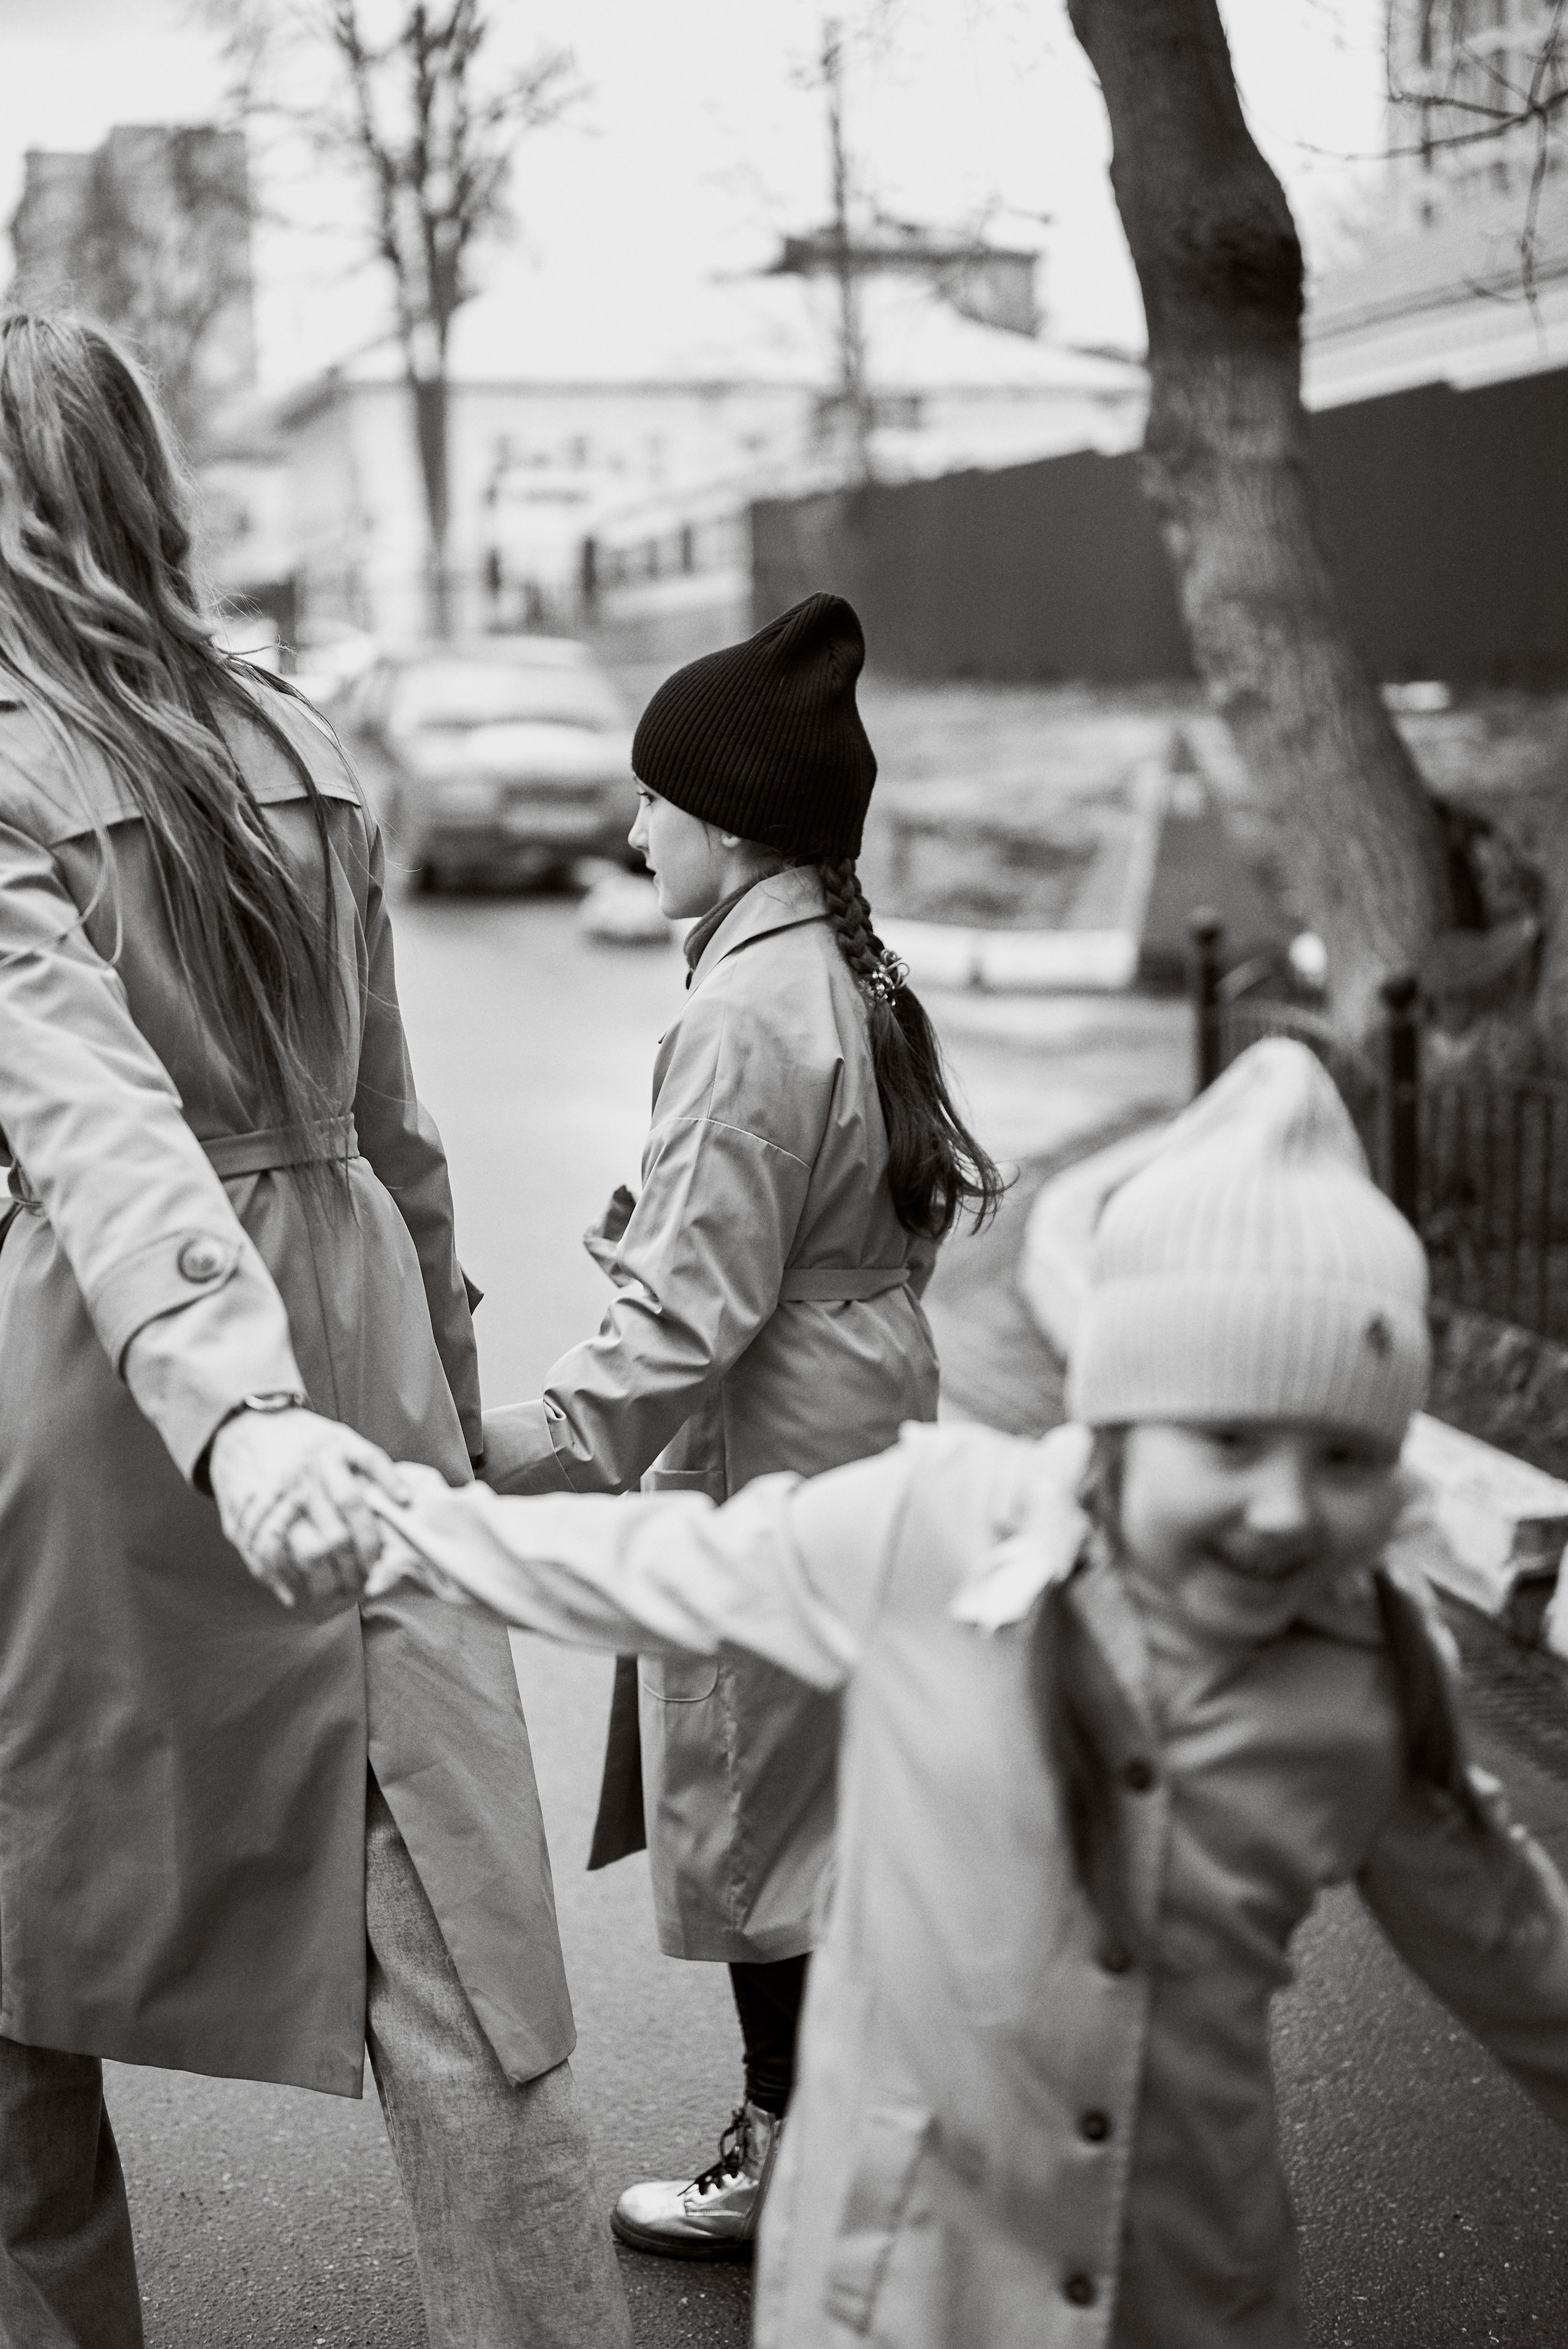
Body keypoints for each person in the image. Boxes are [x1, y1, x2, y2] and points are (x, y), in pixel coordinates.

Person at [356, 1038, 1568, 2348]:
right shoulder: (938, 1533)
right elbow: (659, 1567)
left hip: (1187, 2296)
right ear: (1116, 1424)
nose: (1284, 1509)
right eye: (1226, 1439)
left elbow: (1515, 1950)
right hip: (901, 2297)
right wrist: (393, 1525)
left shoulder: (1368, 1675)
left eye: (1343, 1457)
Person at [0, 312, 628, 2349]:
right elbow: (394, 1127)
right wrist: (438, 1399)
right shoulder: (299, 735)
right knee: (470, 1961)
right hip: (346, 1349)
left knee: (15, 1942)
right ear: (151, 482)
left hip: (100, 1388)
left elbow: (89, 1120)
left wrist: (229, 1398)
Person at [477, 590, 1003, 2255]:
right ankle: (864, 2138)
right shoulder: (843, 973)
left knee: (769, 1829)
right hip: (860, 1414)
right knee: (835, 1809)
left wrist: (494, 1448)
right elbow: (876, 1221)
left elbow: (681, 1329)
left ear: (728, 818)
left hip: (772, 1454)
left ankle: (792, 2156)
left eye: (654, 800)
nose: (634, 831)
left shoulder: (739, 1010)